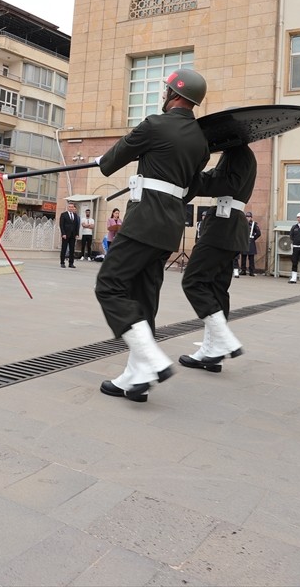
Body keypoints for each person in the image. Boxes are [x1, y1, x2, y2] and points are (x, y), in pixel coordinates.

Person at [94, 68, 210, 402]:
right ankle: (136, 379)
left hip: (144, 220)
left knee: (110, 285)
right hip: (171, 225)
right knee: (145, 296)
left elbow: (112, 161)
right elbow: (188, 187)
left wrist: (102, 158)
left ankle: (151, 357)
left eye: (166, 90)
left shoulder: (155, 124)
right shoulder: (200, 141)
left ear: (173, 94)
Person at [179, 143, 256, 373]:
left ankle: (222, 340)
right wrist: (192, 177)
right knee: (216, 288)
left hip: (224, 225)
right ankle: (213, 353)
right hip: (228, 224)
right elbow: (215, 177)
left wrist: (191, 178)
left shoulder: (239, 153)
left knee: (193, 281)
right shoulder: (235, 153)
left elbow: (227, 183)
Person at [236, 211, 262, 277]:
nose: (248, 218)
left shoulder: (254, 224)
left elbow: (258, 233)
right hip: (244, 242)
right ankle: (243, 270)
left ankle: (251, 271)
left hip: (251, 242)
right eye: (247, 217)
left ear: (251, 217)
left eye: (249, 217)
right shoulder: (242, 223)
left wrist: (253, 238)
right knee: (243, 257)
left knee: (251, 258)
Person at [58, 201, 79, 268]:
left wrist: (77, 233)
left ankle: (71, 263)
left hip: (73, 235)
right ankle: (62, 262)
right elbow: (61, 225)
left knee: (72, 249)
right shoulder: (64, 214)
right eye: (69, 207)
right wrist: (63, 233)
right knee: (64, 249)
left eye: (72, 207)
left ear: (73, 208)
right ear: (67, 207)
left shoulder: (75, 215)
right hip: (66, 235)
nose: (71, 208)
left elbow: (76, 225)